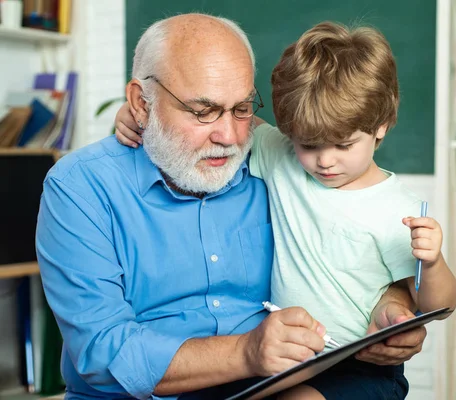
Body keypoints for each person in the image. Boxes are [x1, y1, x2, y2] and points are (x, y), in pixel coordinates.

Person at [37, 14, 428, 400]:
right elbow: (104, 354)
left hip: (286, 381)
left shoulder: (284, 167)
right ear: (142, 103)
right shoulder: (81, 187)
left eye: (241, 108)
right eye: (203, 111)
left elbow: (359, 246)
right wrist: (246, 353)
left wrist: (393, 305)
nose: (227, 136)